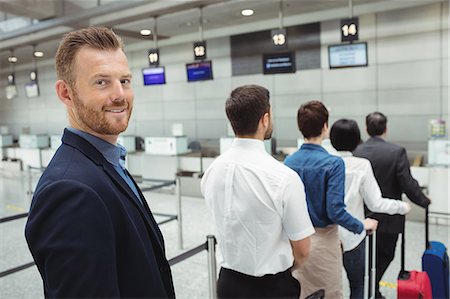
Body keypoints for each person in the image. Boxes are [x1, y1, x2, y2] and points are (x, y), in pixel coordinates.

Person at [25, 27, 175, 298]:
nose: (120, 94)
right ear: (66, 94)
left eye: (125, 81)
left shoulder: (106, 163)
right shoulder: (70, 191)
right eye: (102, 82)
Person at [201, 85, 314, 299]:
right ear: (265, 119)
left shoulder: (212, 171)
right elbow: (303, 250)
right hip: (271, 288)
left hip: (227, 285)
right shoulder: (283, 178)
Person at [284, 100, 378, 299]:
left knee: (302, 292)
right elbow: (335, 210)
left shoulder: (289, 162)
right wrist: (360, 225)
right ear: (325, 127)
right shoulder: (332, 163)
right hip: (324, 243)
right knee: (327, 293)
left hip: (296, 241)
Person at [330, 118, 411, 299]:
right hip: (354, 233)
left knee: (328, 286)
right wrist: (402, 207)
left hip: (329, 235)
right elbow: (376, 203)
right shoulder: (361, 165)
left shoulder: (325, 162)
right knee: (358, 285)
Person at [353, 112, 431, 299]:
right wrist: (424, 201)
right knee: (385, 256)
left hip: (362, 217)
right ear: (386, 129)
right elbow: (407, 183)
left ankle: (370, 289)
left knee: (367, 258)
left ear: (366, 128)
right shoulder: (396, 152)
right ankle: (373, 289)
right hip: (389, 218)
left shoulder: (357, 152)